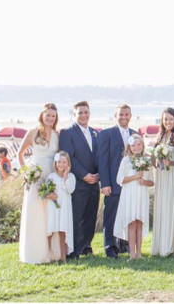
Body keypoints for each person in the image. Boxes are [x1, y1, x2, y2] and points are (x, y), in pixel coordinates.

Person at [18, 103, 59, 264]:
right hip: (35, 176)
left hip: (51, 175)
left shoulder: (57, 134)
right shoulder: (32, 133)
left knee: (49, 212)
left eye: (53, 116)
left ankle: (52, 252)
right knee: (35, 213)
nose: (50, 118)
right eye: (48, 115)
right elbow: (20, 154)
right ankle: (35, 252)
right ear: (42, 115)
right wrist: (26, 174)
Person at [58, 101, 100, 259]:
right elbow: (69, 158)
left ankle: (86, 245)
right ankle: (74, 249)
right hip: (78, 181)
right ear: (74, 115)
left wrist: (98, 175)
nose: (83, 115)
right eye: (80, 112)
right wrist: (84, 175)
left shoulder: (96, 133)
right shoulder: (67, 133)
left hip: (94, 181)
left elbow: (99, 156)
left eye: (86, 112)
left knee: (91, 215)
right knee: (77, 216)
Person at [97, 104, 137, 258]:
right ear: (116, 116)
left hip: (130, 184)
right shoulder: (106, 134)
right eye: (121, 114)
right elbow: (103, 161)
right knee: (111, 216)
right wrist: (105, 183)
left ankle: (124, 244)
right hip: (113, 183)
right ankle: (110, 246)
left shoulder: (134, 134)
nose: (124, 117)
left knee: (128, 215)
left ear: (130, 116)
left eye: (127, 114)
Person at [114, 135, 154, 260]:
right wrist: (135, 177)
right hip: (129, 194)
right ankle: (132, 254)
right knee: (132, 222)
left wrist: (144, 181)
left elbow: (151, 181)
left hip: (141, 194)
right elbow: (119, 179)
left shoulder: (147, 161)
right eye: (133, 145)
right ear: (129, 147)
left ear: (142, 146)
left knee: (139, 223)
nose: (136, 148)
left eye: (138, 145)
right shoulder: (126, 161)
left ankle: (139, 253)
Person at [151, 107, 174, 257]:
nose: (168, 122)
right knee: (162, 208)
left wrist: (172, 164)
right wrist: (156, 161)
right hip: (162, 177)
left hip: (173, 177)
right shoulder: (159, 137)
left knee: (172, 207)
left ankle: (171, 246)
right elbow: (154, 159)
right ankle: (160, 245)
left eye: (171, 119)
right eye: (165, 120)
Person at [45, 151, 76, 262]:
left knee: (63, 229)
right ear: (55, 163)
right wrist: (49, 195)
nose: (61, 165)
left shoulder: (71, 177)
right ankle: (48, 254)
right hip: (52, 206)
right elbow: (46, 192)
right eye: (59, 162)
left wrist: (65, 176)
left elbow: (70, 190)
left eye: (64, 162)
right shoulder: (50, 177)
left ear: (68, 163)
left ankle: (63, 256)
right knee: (50, 229)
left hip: (65, 206)